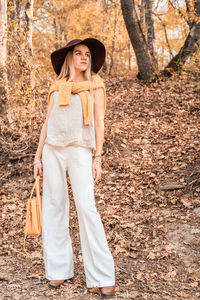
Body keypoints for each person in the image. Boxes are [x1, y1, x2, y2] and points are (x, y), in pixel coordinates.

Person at [33, 38, 115, 297]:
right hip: (51, 151)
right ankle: (58, 270)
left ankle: (101, 274)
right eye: (78, 53)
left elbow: (100, 122)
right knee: (54, 206)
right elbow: (46, 123)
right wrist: (37, 158)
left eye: (88, 54)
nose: (84, 58)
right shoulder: (57, 86)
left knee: (87, 208)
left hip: (80, 150)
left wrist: (98, 157)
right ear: (69, 58)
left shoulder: (95, 85)